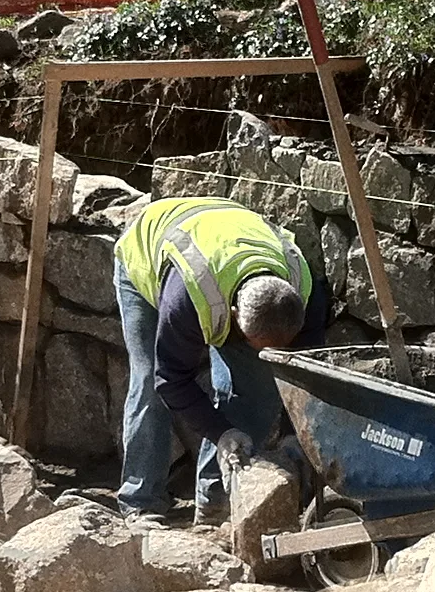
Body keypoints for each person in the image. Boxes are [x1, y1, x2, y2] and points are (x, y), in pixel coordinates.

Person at [113, 195, 329, 523]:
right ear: (234, 316)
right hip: (148, 251)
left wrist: (291, 432)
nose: (259, 354)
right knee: (148, 386)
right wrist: (221, 433)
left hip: (228, 239)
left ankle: (216, 505)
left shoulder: (304, 291)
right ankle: (140, 501)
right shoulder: (186, 299)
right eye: (254, 344)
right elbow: (169, 378)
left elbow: (303, 370)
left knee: (254, 392)